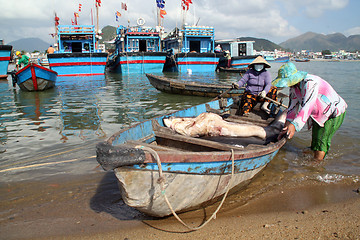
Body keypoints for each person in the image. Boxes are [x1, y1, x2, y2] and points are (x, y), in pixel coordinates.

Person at [273, 62, 347, 160]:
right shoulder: (294, 88)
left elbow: (308, 105)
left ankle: (316, 167)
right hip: (319, 114)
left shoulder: (310, 82)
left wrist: (294, 126)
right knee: (316, 139)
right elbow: (292, 108)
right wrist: (287, 126)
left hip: (332, 113)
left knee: (321, 140)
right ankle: (318, 155)